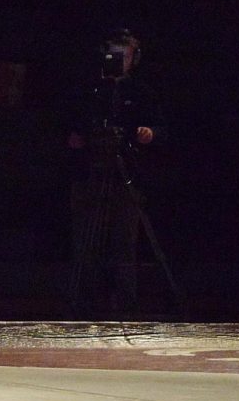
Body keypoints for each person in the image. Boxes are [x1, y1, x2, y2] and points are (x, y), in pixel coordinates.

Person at [67, 28, 167, 315]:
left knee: (124, 242)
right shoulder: (90, 91)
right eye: (115, 54)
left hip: (127, 173)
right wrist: (76, 137)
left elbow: (160, 127)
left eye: (126, 55)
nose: (120, 60)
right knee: (86, 240)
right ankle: (81, 303)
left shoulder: (141, 92)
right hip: (89, 172)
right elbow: (70, 124)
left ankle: (126, 304)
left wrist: (151, 133)